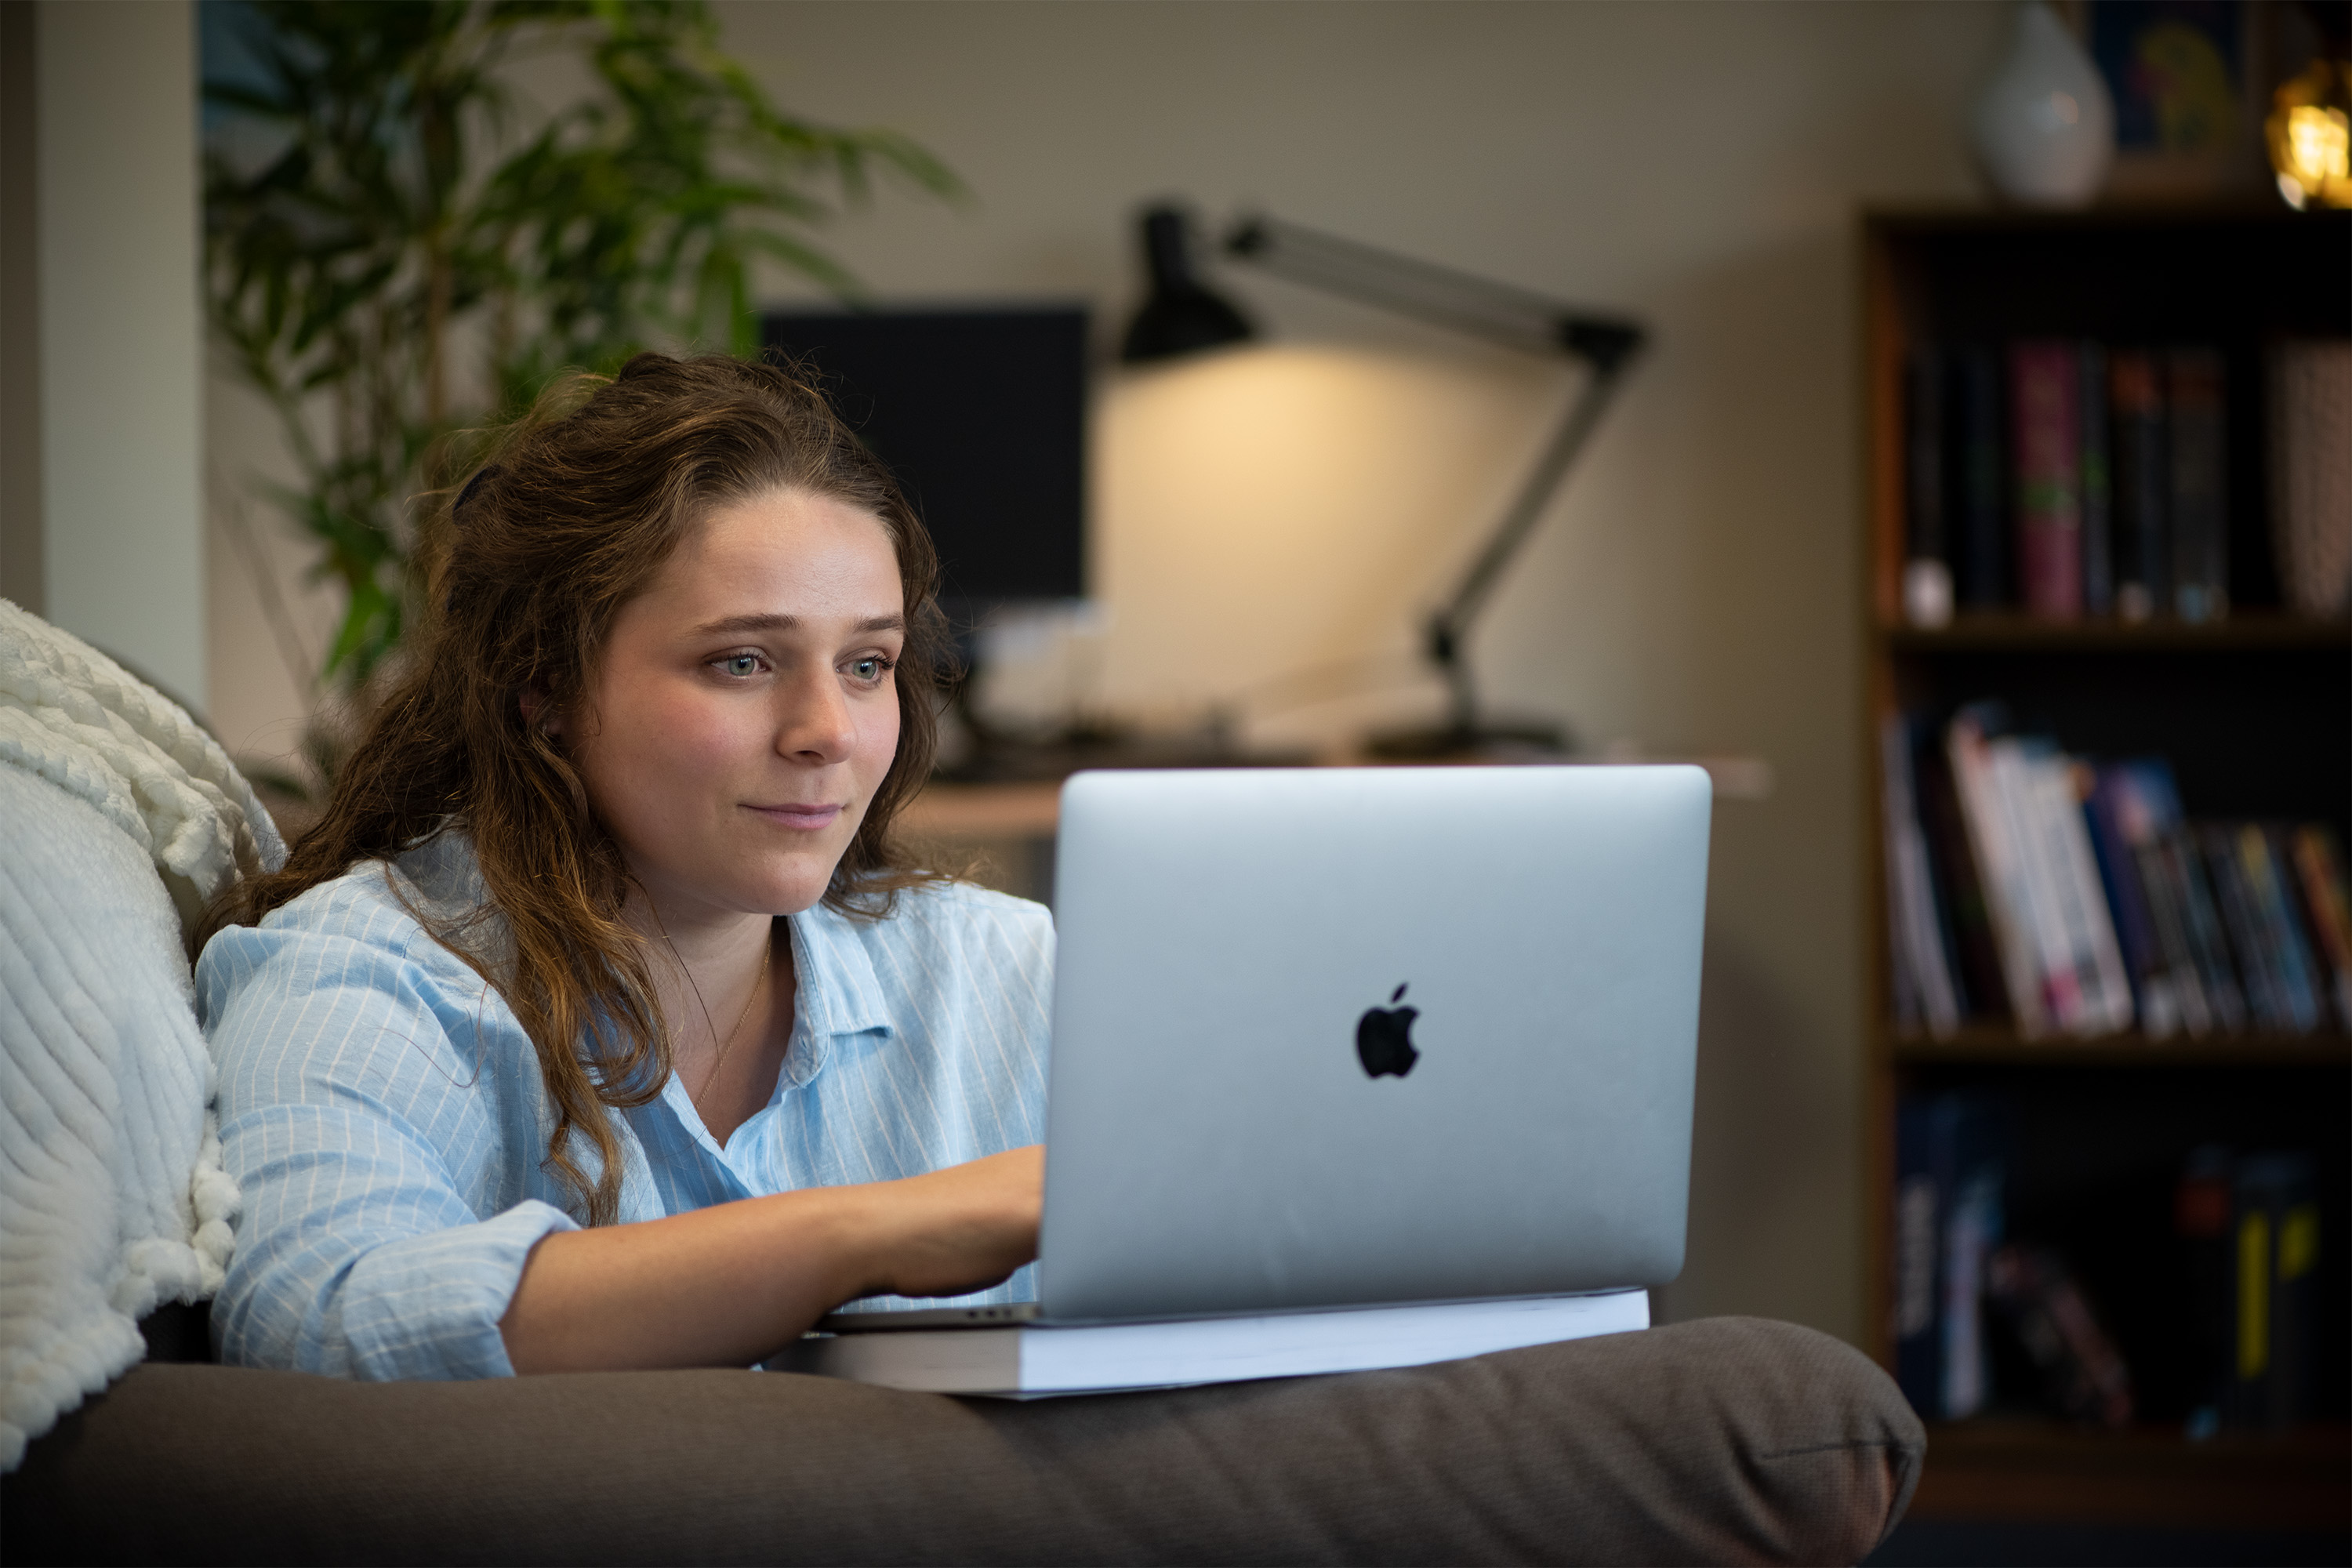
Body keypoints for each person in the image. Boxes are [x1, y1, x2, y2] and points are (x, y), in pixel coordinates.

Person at [198, 353, 1047, 1380]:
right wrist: (864, 1236)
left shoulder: (1005, 970)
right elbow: (316, 1319)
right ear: (544, 687)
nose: (829, 731)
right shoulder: (370, 975)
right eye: (741, 661)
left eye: (867, 664)